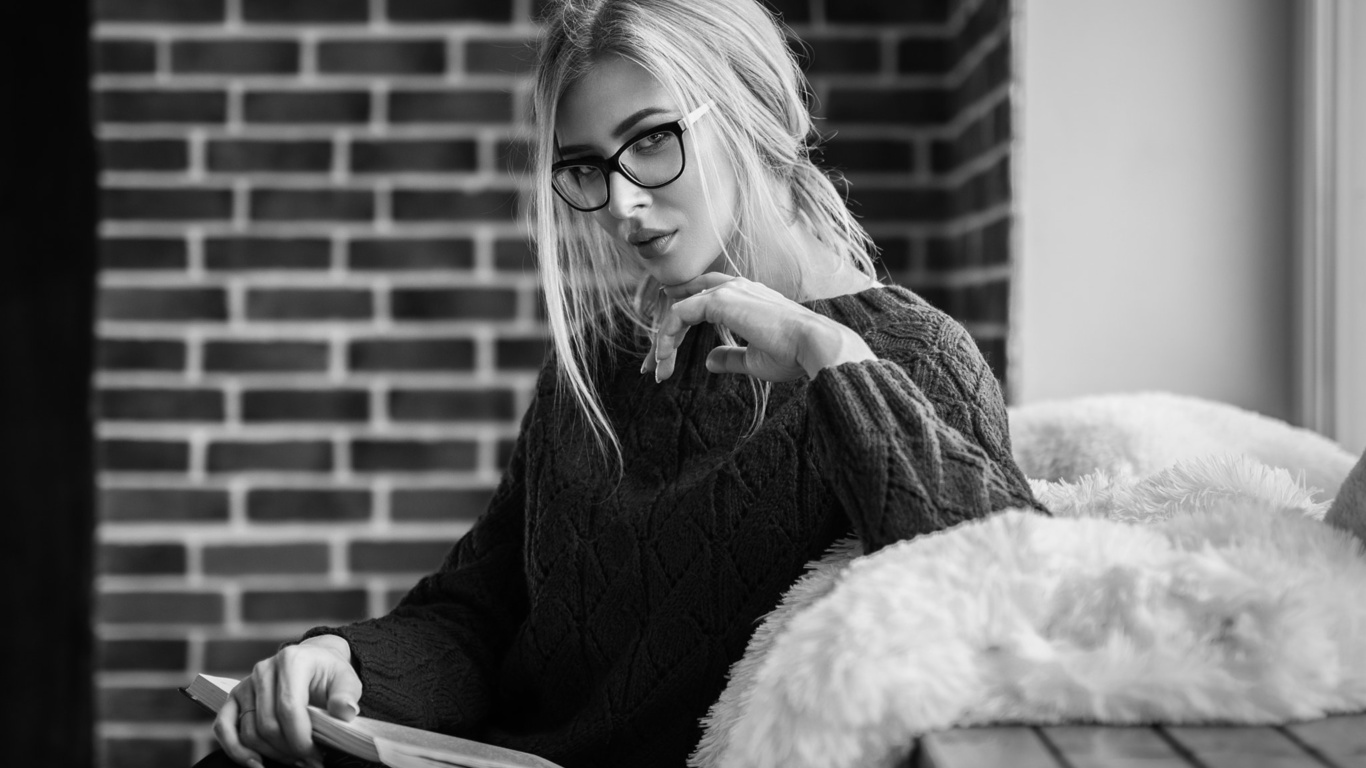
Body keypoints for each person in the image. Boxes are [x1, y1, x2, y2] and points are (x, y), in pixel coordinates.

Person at [197, 0, 1045, 766]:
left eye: (651, 141)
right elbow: (482, 609)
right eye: (587, 167)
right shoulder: (602, 361)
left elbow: (1011, 589)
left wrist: (828, 358)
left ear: (755, 112)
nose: (619, 205)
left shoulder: (904, 355)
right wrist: (343, 662)